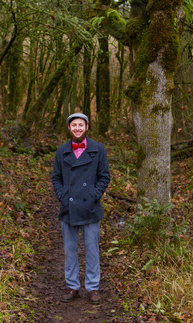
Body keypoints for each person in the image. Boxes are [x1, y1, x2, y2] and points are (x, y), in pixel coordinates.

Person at [52, 113, 110, 304]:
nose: (77, 128)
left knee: (92, 250)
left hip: (90, 207)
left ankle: (93, 288)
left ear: (87, 127)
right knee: (70, 250)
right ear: (69, 128)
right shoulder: (62, 151)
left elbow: (104, 176)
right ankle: (72, 285)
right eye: (74, 125)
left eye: (80, 125)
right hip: (68, 207)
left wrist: (94, 195)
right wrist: (61, 195)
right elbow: (56, 177)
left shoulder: (98, 149)